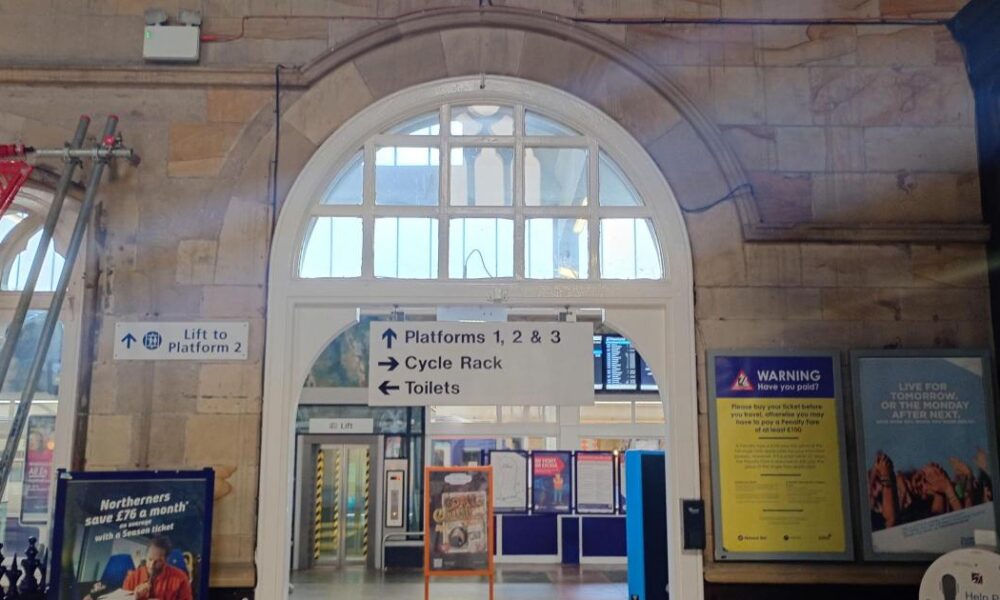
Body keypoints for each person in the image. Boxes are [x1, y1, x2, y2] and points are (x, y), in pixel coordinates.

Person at [122, 536, 192, 600]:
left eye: (158, 561)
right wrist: (134, 598)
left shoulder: (181, 578)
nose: (152, 565)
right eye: (150, 559)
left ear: (166, 560)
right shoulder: (132, 577)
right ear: (145, 556)